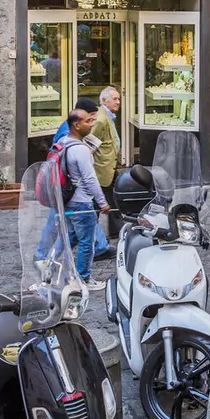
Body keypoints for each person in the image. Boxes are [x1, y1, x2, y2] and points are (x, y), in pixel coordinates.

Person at [55, 105, 109, 281]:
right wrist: (102, 203)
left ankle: (51, 266)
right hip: (81, 201)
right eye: (88, 121)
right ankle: (84, 279)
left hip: (67, 199)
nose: (91, 124)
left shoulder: (63, 142)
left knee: (70, 237)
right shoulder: (80, 149)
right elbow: (90, 179)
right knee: (86, 243)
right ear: (76, 125)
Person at [93, 85, 123, 239]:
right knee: (98, 203)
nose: (118, 102)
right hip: (102, 168)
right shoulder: (101, 119)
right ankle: (92, 236)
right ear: (104, 101)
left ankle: (115, 229)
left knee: (112, 199)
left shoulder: (107, 115)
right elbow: (90, 143)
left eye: (119, 98)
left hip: (109, 167)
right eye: (114, 99)